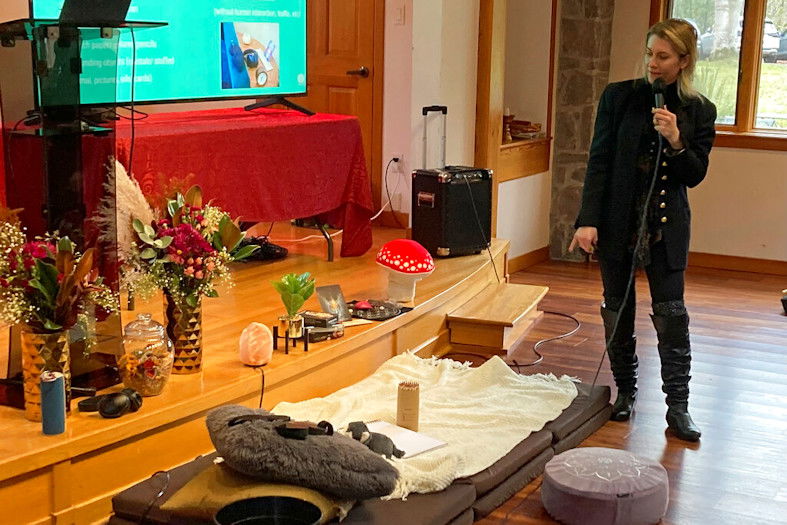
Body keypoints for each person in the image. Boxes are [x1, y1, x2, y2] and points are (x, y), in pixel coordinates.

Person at [569, 18, 716, 442]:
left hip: (666, 227)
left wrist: (676, 139)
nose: (653, 63)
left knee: (671, 316)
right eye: (650, 53)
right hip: (618, 222)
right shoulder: (619, 97)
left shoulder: (699, 110)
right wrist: (587, 220)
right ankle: (626, 392)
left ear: (684, 61)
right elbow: (598, 162)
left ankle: (678, 408)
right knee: (617, 308)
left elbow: (695, 174)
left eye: (664, 56)